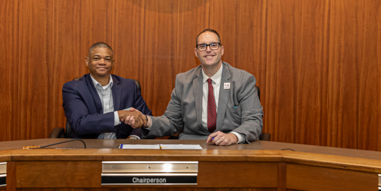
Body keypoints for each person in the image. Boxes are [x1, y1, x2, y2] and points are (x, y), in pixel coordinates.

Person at [125, 29, 263, 145]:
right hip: (192, 145)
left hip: (231, 146)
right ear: (196, 52)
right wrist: (146, 120)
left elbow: (253, 121)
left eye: (213, 45)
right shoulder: (184, 81)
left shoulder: (243, 80)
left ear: (222, 50)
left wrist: (233, 136)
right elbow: (172, 122)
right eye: (202, 46)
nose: (208, 50)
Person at [62, 42, 151, 139]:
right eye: (96, 58)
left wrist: (134, 137)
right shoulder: (73, 88)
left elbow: (146, 118)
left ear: (113, 63)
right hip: (88, 148)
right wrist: (119, 115)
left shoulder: (129, 86)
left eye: (107, 59)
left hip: (122, 148)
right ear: (87, 61)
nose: (102, 62)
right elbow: (80, 123)